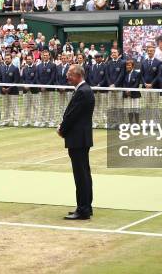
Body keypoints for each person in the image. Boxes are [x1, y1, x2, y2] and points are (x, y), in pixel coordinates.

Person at [57, 65, 95, 220]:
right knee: (84, 173)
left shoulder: (83, 91)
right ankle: (86, 206)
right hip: (81, 138)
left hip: (78, 138)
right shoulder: (84, 90)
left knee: (81, 175)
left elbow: (72, 116)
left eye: (70, 75)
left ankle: (83, 209)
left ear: (78, 75)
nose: (67, 77)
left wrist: (62, 130)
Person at [36, 50, 57, 127]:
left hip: (50, 89)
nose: (45, 56)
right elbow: (37, 78)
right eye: (43, 55)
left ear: (49, 56)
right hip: (41, 90)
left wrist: (46, 86)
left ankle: (51, 121)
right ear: (42, 56)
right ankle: (43, 121)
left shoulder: (53, 65)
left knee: (51, 105)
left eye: (46, 55)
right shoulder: (38, 66)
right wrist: (41, 86)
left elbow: (53, 77)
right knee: (42, 105)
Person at [87, 53, 108, 128]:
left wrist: (99, 85)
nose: (97, 59)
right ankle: (95, 122)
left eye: (98, 57)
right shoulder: (92, 66)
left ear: (102, 58)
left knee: (104, 106)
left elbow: (106, 78)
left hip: (103, 90)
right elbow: (89, 77)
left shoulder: (105, 66)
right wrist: (93, 86)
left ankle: (105, 122)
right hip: (94, 90)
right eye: (96, 57)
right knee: (95, 106)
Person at [0, 55, 19, 127]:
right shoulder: (2, 68)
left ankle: (15, 120)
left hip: (13, 91)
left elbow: (16, 80)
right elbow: (0, 79)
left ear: (11, 59)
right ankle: (6, 120)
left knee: (14, 106)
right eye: (6, 59)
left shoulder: (15, 68)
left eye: (8, 59)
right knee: (5, 106)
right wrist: (2, 87)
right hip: (3, 91)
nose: (7, 60)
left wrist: (9, 88)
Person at [20, 55, 39, 126]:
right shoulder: (24, 69)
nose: (28, 60)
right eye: (27, 59)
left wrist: (29, 85)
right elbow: (23, 78)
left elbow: (36, 78)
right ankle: (27, 120)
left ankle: (36, 120)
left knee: (35, 106)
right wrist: (25, 85)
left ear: (33, 59)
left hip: (34, 90)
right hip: (26, 91)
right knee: (26, 106)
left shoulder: (36, 68)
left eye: (30, 59)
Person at [122, 59, 141, 123]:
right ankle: (131, 123)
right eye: (127, 65)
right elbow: (123, 83)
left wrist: (130, 91)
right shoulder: (125, 74)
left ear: (133, 66)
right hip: (127, 95)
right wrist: (126, 91)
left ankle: (137, 123)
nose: (128, 66)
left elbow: (137, 84)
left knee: (136, 109)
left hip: (135, 94)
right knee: (129, 109)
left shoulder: (137, 73)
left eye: (129, 65)